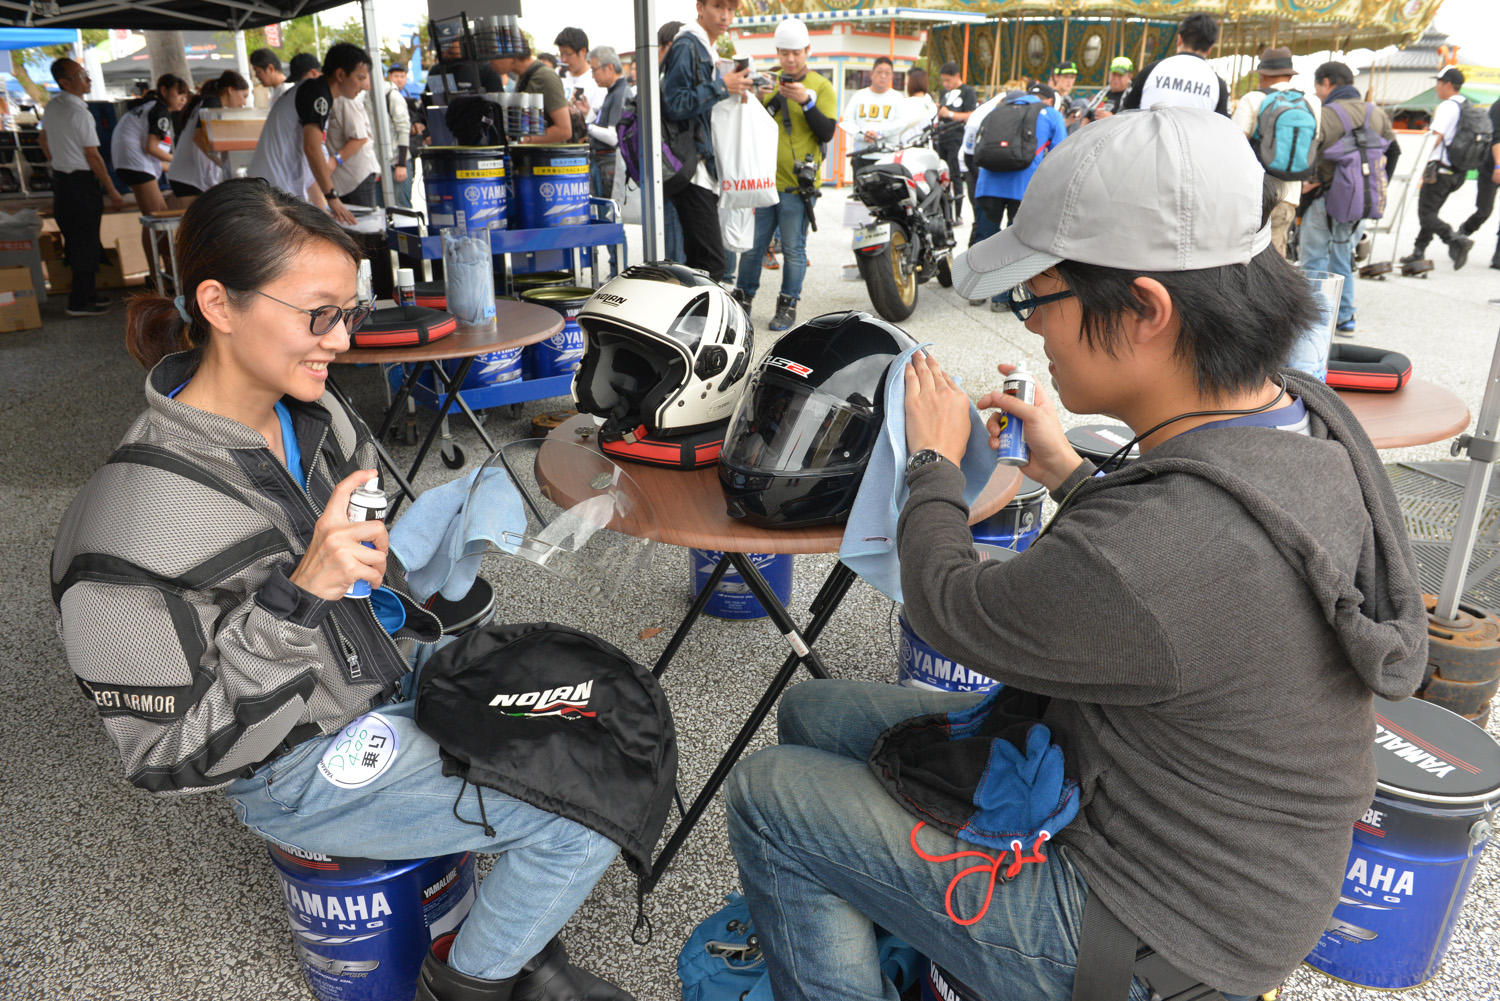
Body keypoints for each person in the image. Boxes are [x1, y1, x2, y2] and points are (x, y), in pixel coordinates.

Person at [725, 105, 1427, 1001]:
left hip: (1153, 929)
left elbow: (954, 607)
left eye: (1038, 297)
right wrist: (1065, 470)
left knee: (768, 793)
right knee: (819, 712)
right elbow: (1179, 596)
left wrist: (933, 463)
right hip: (1217, 844)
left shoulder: (1163, 541)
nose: (1034, 329)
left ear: (1145, 308)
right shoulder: (1300, 416)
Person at [53, 178, 633, 1001]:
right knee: (587, 802)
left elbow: (369, 570)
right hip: (295, 763)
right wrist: (300, 596)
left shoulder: (319, 416)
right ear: (218, 303)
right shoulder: (127, 523)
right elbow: (169, 754)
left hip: (384, 681)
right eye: (318, 314)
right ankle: (474, 979)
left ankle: (517, 935)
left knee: (602, 702)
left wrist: (420, 577)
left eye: (350, 313)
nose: (341, 339)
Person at [731, 17, 836, 331]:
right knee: (753, 246)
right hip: (763, 182)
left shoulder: (821, 86)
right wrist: (754, 95)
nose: (790, 59)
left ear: (807, 50)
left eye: (796, 52)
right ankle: (743, 299)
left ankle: (787, 304)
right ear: (777, 52)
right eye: (784, 53)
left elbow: (827, 131)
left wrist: (805, 102)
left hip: (797, 186)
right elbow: (746, 120)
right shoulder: (766, 81)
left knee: (793, 248)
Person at [1300, 61, 1397, 336]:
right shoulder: (1376, 113)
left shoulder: (1328, 114)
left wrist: (1310, 184)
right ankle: (1345, 317)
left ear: (1327, 83)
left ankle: (1314, 320)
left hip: (1325, 196)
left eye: (1318, 86)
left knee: (1314, 257)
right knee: (1342, 256)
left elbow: (1312, 154)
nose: (1318, 92)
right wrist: (1379, 181)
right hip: (1359, 201)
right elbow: (1396, 151)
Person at [660, 0, 754, 282]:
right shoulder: (688, 45)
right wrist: (722, 87)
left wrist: (730, 91)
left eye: (731, 9)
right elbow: (674, 104)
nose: (725, 15)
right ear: (700, 7)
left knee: (700, 261)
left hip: (701, 165)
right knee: (711, 263)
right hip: (692, 168)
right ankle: (693, 324)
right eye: (718, 6)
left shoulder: (705, 48)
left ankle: (686, 323)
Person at [248, 42, 372, 226]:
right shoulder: (317, 93)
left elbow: (311, 161)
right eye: (360, 77)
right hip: (274, 192)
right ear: (340, 75)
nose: (366, 86)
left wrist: (322, 209)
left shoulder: (315, 91)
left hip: (275, 188)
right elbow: (312, 149)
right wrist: (332, 197)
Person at [39, 58, 124, 317]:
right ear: (64, 82)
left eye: (86, 74)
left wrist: (56, 161)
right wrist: (112, 190)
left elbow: (43, 139)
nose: (87, 79)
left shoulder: (53, 107)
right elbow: (93, 155)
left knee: (77, 238)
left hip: (63, 181)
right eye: (81, 75)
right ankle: (78, 301)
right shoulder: (79, 112)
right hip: (80, 181)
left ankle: (87, 294)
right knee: (84, 239)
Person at [972, 82, 1068, 310]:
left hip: (987, 184)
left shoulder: (998, 110)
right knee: (1014, 242)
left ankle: (976, 292)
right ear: (1049, 100)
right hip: (1024, 187)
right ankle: (1002, 299)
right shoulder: (1051, 113)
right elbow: (1062, 153)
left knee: (985, 236)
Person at [1231, 47, 1321, 258]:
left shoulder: (1252, 99)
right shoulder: (1312, 103)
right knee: (1276, 264)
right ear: (1290, 75)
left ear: (1262, 75)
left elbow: (1234, 146)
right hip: (1289, 197)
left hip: (1253, 196)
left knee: (1244, 262)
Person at [1403, 67, 1477, 271]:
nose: (1436, 87)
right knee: (1431, 212)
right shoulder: (1466, 106)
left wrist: (1417, 161)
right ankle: (1418, 251)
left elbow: (1436, 137)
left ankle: (1454, 239)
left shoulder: (1447, 107)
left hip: (1439, 170)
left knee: (1426, 214)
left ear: (1448, 84)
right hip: (1458, 171)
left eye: (1439, 83)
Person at [109, 72, 190, 224]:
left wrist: (177, 166)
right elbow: (151, 148)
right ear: (164, 91)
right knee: (159, 218)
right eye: (179, 94)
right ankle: (161, 249)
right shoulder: (160, 110)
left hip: (127, 163)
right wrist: (179, 160)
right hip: (136, 164)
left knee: (154, 216)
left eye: (185, 96)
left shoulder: (148, 106)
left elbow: (156, 157)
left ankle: (159, 248)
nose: (183, 100)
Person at [167, 71, 252, 205]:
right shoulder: (212, 103)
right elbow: (198, 137)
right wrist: (223, 163)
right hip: (188, 178)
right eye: (244, 96)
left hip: (185, 176)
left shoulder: (208, 102)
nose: (244, 102)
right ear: (230, 90)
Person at [1122, 13, 1229, 115]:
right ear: (1210, 48)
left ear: (1179, 39)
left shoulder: (1151, 71)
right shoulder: (1218, 86)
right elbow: (1222, 127)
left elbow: (1126, 112)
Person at [488, 38, 572, 145]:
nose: (490, 62)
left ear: (512, 53)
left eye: (494, 56)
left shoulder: (545, 77)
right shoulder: (522, 76)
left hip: (546, 158)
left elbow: (564, 130)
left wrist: (523, 140)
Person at [1456, 96, 1500, 270]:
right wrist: (1498, 165)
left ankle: (1498, 259)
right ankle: (1463, 232)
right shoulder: (1498, 106)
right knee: (1484, 211)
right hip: (1491, 167)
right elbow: (1497, 138)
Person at [656, 20, 686, 264]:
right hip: (675, 175)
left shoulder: (664, 83)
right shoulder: (669, 84)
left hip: (671, 175)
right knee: (675, 250)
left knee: (674, 249)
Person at [585, 46, 631, 209]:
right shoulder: (613, 91)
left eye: (594, 70)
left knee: (607, 212)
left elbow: (614, 137)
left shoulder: (620, 92)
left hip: (609, 162)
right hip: (603, 162)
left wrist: (588, 127)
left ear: (610, 68)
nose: (593, 75)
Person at [934, 61, 976, 222]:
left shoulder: (968, 92)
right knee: (941, 175)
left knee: (955, 175)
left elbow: (971, 115)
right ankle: (944, 213)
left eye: (948, 80)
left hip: (957, 138)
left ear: (957, 76)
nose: (946, 84)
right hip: (941, 138)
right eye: (943, 81)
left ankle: (957, 213)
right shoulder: (944, 93)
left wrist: (950, 114)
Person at [838, 57, 906, 155]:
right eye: (879, 72)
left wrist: (879, 133)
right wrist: (863, 135)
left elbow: (901, 123)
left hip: (887, 156)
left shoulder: (897, 98)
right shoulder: (859, 96)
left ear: (892, 76)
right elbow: (847, 121)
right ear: (871, 74)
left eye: (887, 73)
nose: (883, 76)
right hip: (861, 155)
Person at [327, 84, 378, 207]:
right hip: (339, 179)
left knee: (365, 222)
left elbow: (359, 138)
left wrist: (334, 160)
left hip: (357, 176)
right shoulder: (327, 99)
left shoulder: (345, 100)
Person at [556, 27, 605, 125]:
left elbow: (599, 120)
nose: (563, 60)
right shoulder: (558, 75)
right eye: (561, 54)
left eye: (568, 54)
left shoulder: (597, 82)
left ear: (583, 51)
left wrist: (585, 114)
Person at [383, 65, 413, 208]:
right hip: (383, 164)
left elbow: (403, 130)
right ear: (389, 77)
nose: (399, 80)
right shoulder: (378, 94)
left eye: (402, 76)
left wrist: (402, 164)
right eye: (396, 76)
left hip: (398, 162)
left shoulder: (394, 96)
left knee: (402, 207)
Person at [1087, 56, 1133, 121]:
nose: (1116, 78)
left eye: (1120, 75)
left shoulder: (1132, 97)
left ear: (1129, 77)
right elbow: (1087, 116)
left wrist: (1112, 118)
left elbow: (1131, 122)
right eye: (1114, 74)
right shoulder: (1103, 93)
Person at [898, 67, 936, 145]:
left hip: (908, 147)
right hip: (926, 147)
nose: (905, 83)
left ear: (912, 82)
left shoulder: (906, 103)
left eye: (907, 80)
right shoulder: (931, 103)